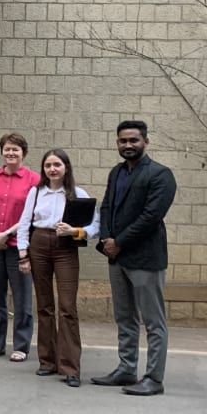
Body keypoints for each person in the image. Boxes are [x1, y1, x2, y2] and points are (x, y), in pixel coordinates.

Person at [91, 120, 176, 396]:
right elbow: (106, 208)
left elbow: (151, 216)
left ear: (145, 142)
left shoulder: (161, 174)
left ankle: (154, 378)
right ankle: (126, 369)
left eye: (133, 140)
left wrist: (119, 242)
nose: (128, 145)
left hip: (145, 258)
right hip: (116, 258)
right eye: (123, 141)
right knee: (124, 317)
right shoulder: (116, 172)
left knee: (153, 321)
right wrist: (106, 240)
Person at [17, 149, 100, 388]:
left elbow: (95, 224)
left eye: (57, 165)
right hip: (39, 245)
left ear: (66, 167)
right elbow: (24, 224)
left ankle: (70, 366)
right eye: (48, 165)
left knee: (67, 307)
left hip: (65, 248)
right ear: (43, 169)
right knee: (44, 306)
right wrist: (23, 254)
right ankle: (47, 361)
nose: (52, 169)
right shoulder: (35, 192)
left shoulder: (77, 193)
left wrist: (76, 232)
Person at [0, 132, 39, 361]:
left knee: (22, 298)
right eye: (7, 149)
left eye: (16, 150)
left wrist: (6, 234)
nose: (11, 153)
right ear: (2, 151)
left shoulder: (33, 179)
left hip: (17, 246)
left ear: (23, 153)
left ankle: (21, 345)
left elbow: (31, 215)